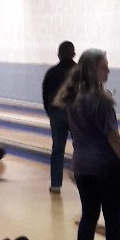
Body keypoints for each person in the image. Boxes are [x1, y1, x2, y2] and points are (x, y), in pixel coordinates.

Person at [53, 49, 120, 240]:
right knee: (112, 217)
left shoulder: (72, 97)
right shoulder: (101, 101)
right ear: (93, 70)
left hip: (83, 167)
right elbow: (114, 138)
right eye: (104, 66)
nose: (108, 69)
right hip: (107, 167)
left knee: (89, 216)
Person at [42, 40, 76, 194]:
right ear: (74, 54)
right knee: (80, 148)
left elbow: (45, 95)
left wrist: (50, 112)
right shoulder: (81, 72)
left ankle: (56, 184)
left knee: (57, 149)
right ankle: (81, 180)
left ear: (58, 55)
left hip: (57, 114)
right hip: (76, 115)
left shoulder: (52, 72)